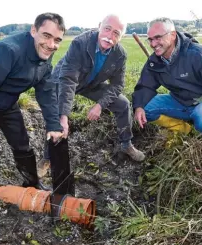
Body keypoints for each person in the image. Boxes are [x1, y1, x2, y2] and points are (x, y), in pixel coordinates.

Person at [0, 13, 65, 242]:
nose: (51, 44)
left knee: (23, 145)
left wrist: (53, 124)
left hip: (7, 103)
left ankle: (31, 183)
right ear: (33, 31)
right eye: (46, 35)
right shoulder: (9, 50)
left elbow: (46, 91)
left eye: (57, 40)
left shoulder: (46, 56)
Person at [50, 14, 145, 162]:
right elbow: (68, 79)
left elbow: (117, 85)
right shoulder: (80, 43)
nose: (110, 36)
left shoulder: (120, 55)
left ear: (121, 37)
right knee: (56, 116)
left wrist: (100, 105)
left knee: (123, 104)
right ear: (100, 26)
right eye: (107, 29)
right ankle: (48, 157)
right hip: (63, 81)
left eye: (116, 33)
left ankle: (126, 145)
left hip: (90, 84)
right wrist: (64, 115)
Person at [133, 17, 202, 135]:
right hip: (178, 101)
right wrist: (138, 106)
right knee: (144, 108)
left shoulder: (197, 54)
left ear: (172, 35)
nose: (153, 44)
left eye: (158, 38)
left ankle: (199, 132)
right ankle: (184, 130)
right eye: (150, 39)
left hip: (201, 102)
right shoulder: (154, 62)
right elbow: (145, 86)